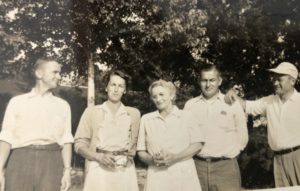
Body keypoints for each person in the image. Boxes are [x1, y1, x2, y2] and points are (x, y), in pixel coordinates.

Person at [0, 57, 74, 191]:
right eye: (55, 72)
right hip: (20, 160)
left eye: (59, 73)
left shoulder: (63, 106)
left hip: (51, 162)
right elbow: (6, 138)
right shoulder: (17, 102)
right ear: (39, 74)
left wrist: (67, 171)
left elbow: (66, 140)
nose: (59, 76)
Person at [225, 61, 300, 187]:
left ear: (292, 81)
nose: (275, 83)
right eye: (274, 79)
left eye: (279, 79)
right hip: (278, 160)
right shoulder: (269, 101)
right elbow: (247, 106)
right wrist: (233, 95)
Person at [184, 64, 248, 191]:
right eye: (204, 80)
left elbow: (242, 137)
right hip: (197, 167)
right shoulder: (190, 106)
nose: (208, 85)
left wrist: (228, 156)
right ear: (199, 81)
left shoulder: (232, 104)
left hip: (225, 168)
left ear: (220, 81)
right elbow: (185, 136)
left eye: (212, 80)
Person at [74, 70, 140, 191]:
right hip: (99, 170)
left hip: (124, 172)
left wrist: (129, 156)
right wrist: (98, 157)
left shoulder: (133, 114)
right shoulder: (91, 112)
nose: (116, 89)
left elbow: (135, 144)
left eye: (120, 86)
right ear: (106, 87)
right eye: (113, 85)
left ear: (124, 90)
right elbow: (79, 145)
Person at [137, 79, 204, 191]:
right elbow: (140, 151)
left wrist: (175, 158)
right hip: (157, 176)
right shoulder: (146, 119)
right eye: (154, 96)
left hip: (184, 176)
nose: (158, 99)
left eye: (161, 94)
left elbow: (198, 145)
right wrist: (152, 160)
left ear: (172, 95)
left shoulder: (187, 116)